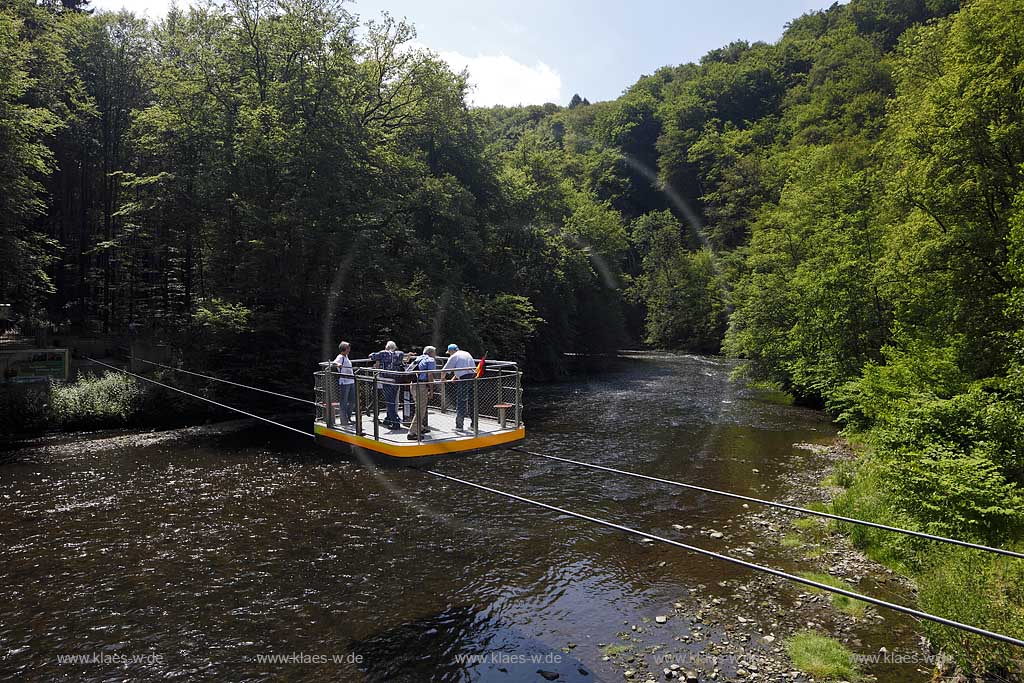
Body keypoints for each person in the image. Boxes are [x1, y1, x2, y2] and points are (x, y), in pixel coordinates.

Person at [369, 340, 404, 429]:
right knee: (393, 400)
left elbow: (371, 356)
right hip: (397, 379)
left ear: (387, 347)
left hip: (386, 380)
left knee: (390, 402)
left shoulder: (383, 353)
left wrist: (377, 357)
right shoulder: (400, 354)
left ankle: (395, 423)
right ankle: (388, 419)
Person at [442, 343, 476, 431]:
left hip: (464, 379)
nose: (449, 354)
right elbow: (464, 368)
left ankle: (459, 426)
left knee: (461, 402)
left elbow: (444, 370)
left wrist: (443, 379)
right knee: (472, 401)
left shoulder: (454, 356)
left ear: (451, 351)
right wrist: (455, 377)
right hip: (473, 377)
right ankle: (474, 425)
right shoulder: (466, 353)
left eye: (449, 353)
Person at [407, 346, 437, 440]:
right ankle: (412, 433)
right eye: (435, 352)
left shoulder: (418, 358)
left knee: (418, 407)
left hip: (413, 385)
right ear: (431, 353)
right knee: (421, 410)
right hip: (421, 386)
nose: (435, 355)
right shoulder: (431, 360)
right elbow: (430, 375)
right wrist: (431, 390)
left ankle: (420, 428)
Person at [332, 341, 355, 426]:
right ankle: (344, 420)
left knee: (352, 401)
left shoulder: (346, 356)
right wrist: (338, 364)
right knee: (344, 401)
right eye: (348, 348)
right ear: (344, 349)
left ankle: (348, 417)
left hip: (351, 381)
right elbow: (335, 362)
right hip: (344, 382)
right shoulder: (340, 356)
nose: (349, 349)